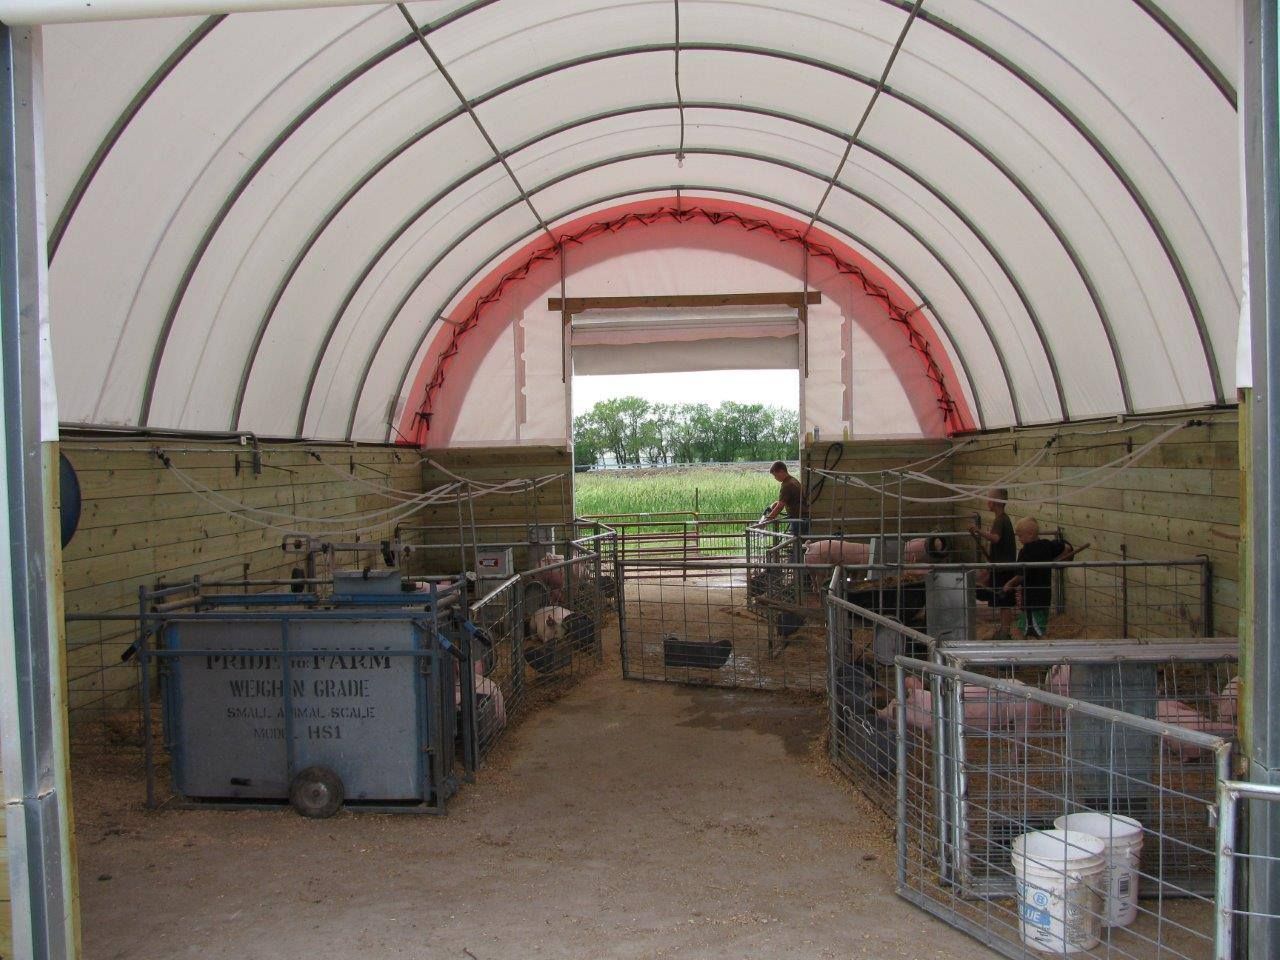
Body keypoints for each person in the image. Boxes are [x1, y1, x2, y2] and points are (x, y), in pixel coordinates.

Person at [1000, 518, 1089, 638]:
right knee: (1033, 628)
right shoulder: (1047, 545)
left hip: (1031, 601)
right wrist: (1058, 559)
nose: (1019, 539)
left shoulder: (1025, 552)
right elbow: (1067, 547)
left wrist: (1009, 584)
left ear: (1030, 534)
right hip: (1044, 598)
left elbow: (1020, 576)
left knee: (1032, 632)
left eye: (1020, 536)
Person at [968, 488, 1016, 641]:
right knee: (1003, 601)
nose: (987, 502)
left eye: (989, 499)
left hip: (1004, 568)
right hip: (1001, 566)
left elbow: (995, 538)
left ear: (995, 502)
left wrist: (978, 531)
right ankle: (1003, 630)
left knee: (1005, 601)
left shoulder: (1001, 520)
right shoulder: (1002, 519)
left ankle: (1005, 632)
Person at [764, 460, 809, 559]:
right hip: (803, 518)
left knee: (797, 546)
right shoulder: (794, 480)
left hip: (798, 519)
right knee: (801, 546)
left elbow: (780, 506)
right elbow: (786, 501)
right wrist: (776, 504)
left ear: (781, 471)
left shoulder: (787, 485)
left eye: (775, 475)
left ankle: (797, 570)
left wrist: (768, 519)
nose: (775, 478)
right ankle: (800, 571)